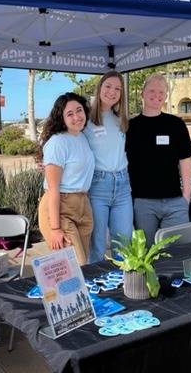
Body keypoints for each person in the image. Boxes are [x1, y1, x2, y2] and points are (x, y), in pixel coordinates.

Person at [125, 73, 191, 246]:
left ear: (166, 96)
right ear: (142, 93)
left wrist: (186, 195)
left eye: (161, 92)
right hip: (143, 202)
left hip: (174, 202)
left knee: (176, 252)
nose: (156, 96)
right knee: (147, 253)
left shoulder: (176, 124)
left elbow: (185, 160)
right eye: (152, 90)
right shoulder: (130, 127)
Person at [38, 92, 95, 265]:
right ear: (61, 118)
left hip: (83, 206)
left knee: (82, 268)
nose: (77, 117)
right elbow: (53, 188)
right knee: (75, 266)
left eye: (79, 110)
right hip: (60, 208)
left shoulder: (82, 138)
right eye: (70, 114)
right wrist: (55, 229)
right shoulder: (57, 143)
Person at [83, 71, 133, 263]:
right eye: (108, 86)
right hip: (98, 186)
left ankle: (124, 287)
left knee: (124, 245)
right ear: (99, 88)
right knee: (97, 245)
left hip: (122, 186)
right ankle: (98, 289)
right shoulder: (86, 119)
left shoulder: (120, 119)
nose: (112, 92)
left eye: (117, 89)